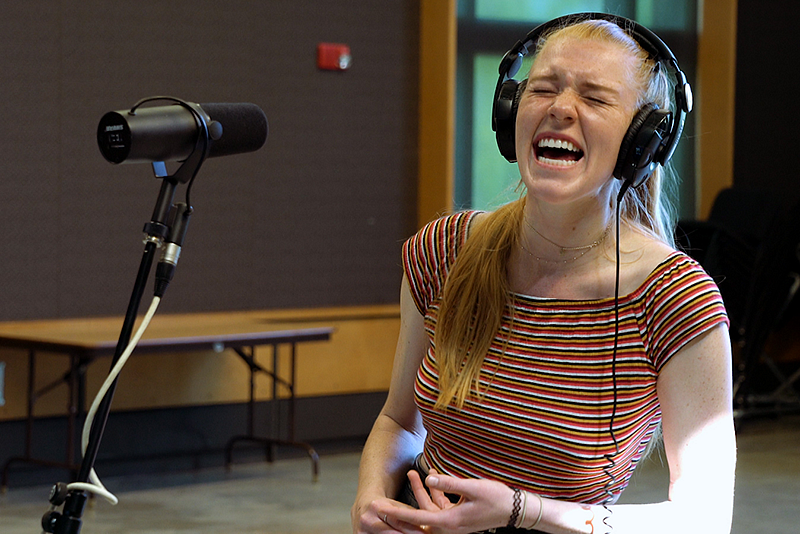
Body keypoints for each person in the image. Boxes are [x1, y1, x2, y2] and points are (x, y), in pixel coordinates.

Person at [352, 13, 736, 534]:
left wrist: (525, 510)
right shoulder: (443, 252)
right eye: (543, 89)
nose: (559, 109)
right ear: (511, 109)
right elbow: (399, 422)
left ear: (642, 142)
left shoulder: (675, 299)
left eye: (595, 98)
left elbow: (706, 518)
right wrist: (372, 500)